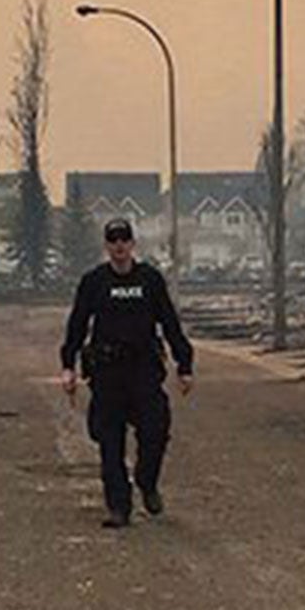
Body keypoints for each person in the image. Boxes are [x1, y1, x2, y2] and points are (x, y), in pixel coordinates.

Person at [60, 217, 194, 528]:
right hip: (108, 374)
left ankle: (146, 482)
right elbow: (77, 325)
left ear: (133, 244)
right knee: (110, 441)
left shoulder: (150, 280)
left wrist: (184, 364)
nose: (119, 247)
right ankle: (118, 506)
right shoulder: (94, 282)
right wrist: (68, 366)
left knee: (156, 430)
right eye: (113, 241)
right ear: (107, 246)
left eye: (124, 240)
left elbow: (170, 324)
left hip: (144, 371)